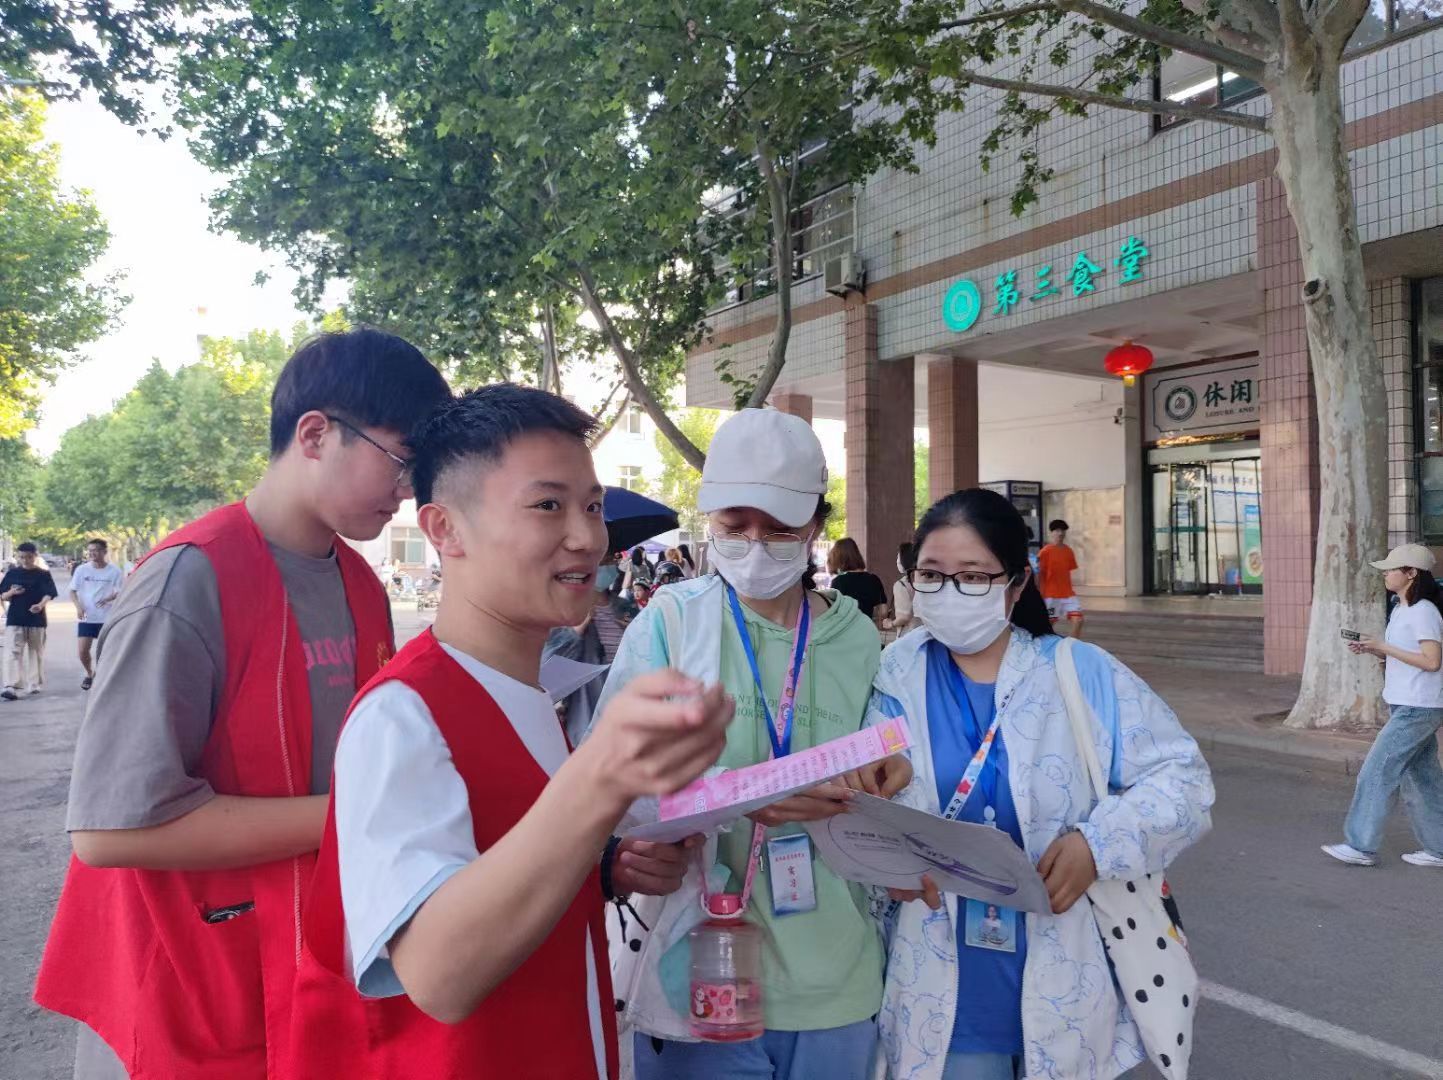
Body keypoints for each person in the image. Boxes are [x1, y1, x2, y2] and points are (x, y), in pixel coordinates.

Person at [34, 328, 452, 1080]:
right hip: (188, 985)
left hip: (307, 965)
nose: (409, 490)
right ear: (315, 434)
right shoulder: (188, 581)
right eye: (402, 460)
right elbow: (108, 829)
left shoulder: (359, 583)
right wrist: (357, 816)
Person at [280, 384, 731, 1078]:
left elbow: (501, 861)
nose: (587, 537)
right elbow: (438, 974)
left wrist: (606, 867)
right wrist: (598, 779)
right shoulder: (402, 715)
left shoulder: (533, 696)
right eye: (547, 505)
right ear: (444, 530)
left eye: (592, 506)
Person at [600, 407, 912, 1080]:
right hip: (696, 966)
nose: (754, 544)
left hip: (836, 974)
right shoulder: (674, 621)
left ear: (815, 527)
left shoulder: (857, 638)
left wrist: (881, 780)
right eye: (733, 525)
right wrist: (735, 795)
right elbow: (609, 780)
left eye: (778, 530)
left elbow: (890, 766)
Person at [873, 488, 1214, 1080]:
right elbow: (863, 802)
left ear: (1016, 583)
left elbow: (1183, 781)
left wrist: (1096, 845)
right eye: (930, 575)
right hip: (937, 995)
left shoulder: (1081, 672)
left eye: (973, 576)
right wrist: (883, 855)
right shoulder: (891, 676)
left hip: (1067, 985)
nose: (949, 592)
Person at [1324, 543, 1443, 869]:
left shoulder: (1423, 612)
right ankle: (1439, 849)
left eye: (1391, 569)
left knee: (1377, 772)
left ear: (1411, 573)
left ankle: (1360, 846)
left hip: (1418, 707)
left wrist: (1384, 646)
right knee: (1425, 780)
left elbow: (1432, 662)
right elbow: (1409, 656)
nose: (1386, 574)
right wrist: (1375, 649)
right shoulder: (1402, 609)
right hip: (1407, 704)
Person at [546, 557, 634, 747]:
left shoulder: (625, 607)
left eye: (612, 559)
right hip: (587, 716)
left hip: (628, 711)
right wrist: (577, 629)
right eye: (602, 560)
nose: (608, 566)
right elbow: (549, 673)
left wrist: (634, 630)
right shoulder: (567, 610)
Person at [1, 541, 58, 699]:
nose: (25, 560)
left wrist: (40, 605)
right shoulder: (12, 574)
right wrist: (12, 592)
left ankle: (34, 683)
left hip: (36, 619)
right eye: (22, 557)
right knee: (12, 652)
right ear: (18, 557)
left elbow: (49, 593)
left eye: (29, 557)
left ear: (35, 556)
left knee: (35, 652)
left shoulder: (43, 574)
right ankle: (10, 685)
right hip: (15, 618)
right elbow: (2, 595)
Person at [69, 538, 124, 690]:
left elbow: (121, 591)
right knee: (82, 651)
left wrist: (109, 598)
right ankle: (89, 673)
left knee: (108, 651)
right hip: (87, 617)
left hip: (107, 617)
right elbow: (72, 591)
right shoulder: (82, 570)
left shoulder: (114, 571)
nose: (93, 553)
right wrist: (78, 607)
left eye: (96, 550)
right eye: (90, 550)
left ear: (104, 552)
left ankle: (105, 677)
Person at [1037, 519, 1083, 638]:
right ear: (1051, 532)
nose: (1060, 533)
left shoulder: (1068, 551)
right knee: (1048, 624)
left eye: (1063, 530)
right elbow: (1039, 574)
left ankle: (1071, 644)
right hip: (1050, 595)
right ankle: (1043, 645)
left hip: (1068, 594)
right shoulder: (1045, 552)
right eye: (1057, 530)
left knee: (1078, 620)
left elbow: (1067, 571)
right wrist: (1039, 594)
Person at [828, 537, 890, 625]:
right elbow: (883, 611)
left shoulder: (838, 582)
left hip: (846, 629)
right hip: (867, 627)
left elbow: (832, 612)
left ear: (839, 558)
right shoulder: (873, 579)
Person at [883, 542, 916, 633]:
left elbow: (904, 617)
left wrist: (891, 623)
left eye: (898, 557)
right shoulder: (924, 579)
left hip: (908, 635)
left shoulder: (901, 584)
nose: (897, 561)